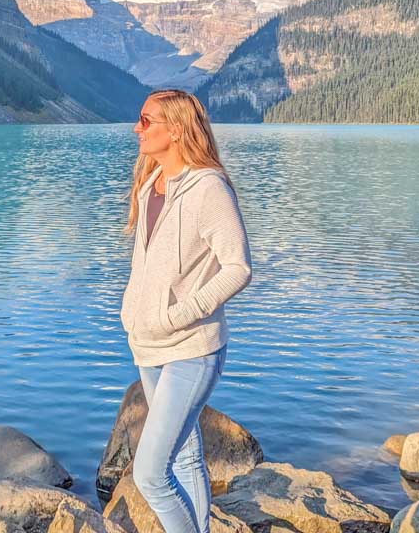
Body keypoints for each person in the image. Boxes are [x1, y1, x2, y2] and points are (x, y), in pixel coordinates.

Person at [120, 88, 253, 533]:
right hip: (149, 345)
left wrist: (183, 312)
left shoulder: (208, 189)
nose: (137, 128)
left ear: (174, 130)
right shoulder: (149, 183)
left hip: (192, 349)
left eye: (146, 120)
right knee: (187, 456)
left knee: (150, 475)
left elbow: (238, 268)